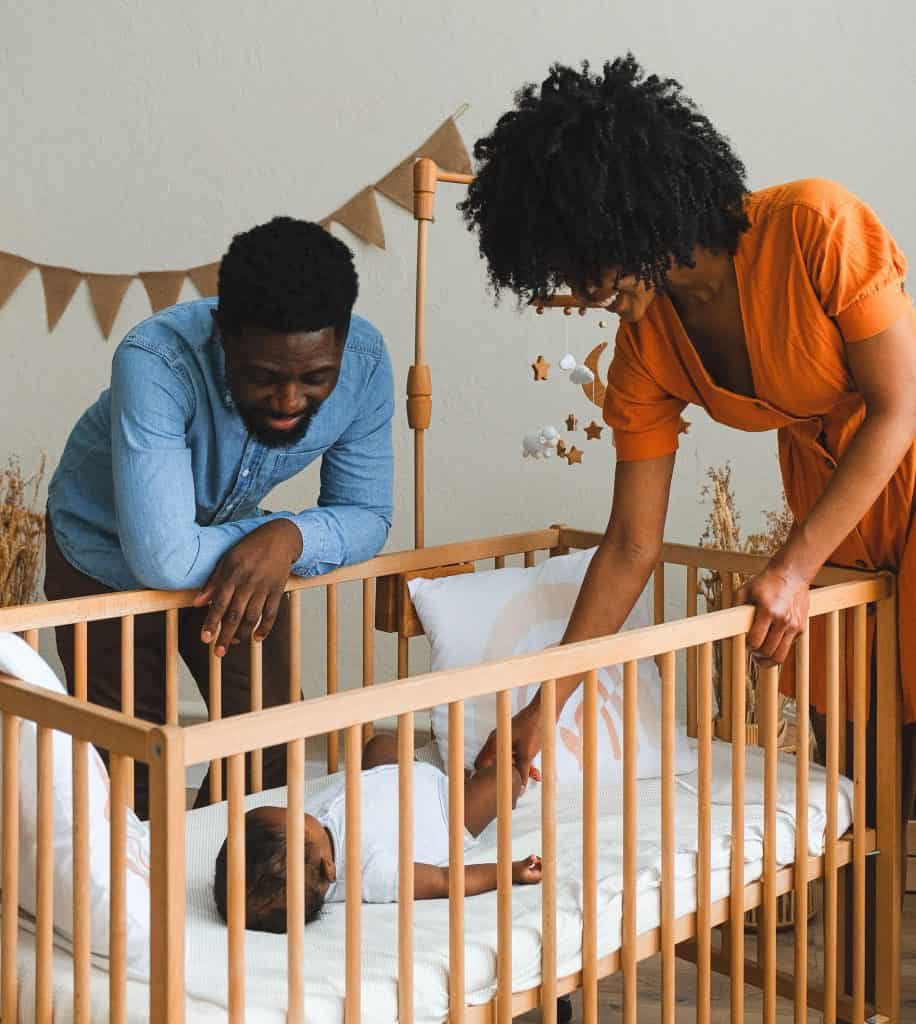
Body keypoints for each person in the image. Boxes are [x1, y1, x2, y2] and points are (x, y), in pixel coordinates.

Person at [462, 59, 916, 859]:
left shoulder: (815, 225)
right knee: (859, 792)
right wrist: (545, 705)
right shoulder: (644, 351)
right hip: (837, 513)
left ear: (633, 215)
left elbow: (896, 407)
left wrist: (792, 568)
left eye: (585, 262)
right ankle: (862, 984)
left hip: (892, 475)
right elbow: (631, 545)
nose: (583, 291)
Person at [45, 217, 394, 817]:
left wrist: (286, 535)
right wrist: (266, 535)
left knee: (270, 743)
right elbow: (162, 556)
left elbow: (367, 512)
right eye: (264, 377)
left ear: (339, 341)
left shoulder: (365, 363)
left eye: (315, 377)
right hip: (101, 554)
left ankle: (207, 880)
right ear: (222, 336)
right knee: (134, 772)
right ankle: (144, 895)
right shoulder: (155, 358)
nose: (289, 401)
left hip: (230, 554)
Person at [212, 735, 542, 931]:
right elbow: (445, 880)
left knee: (379, 744)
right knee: (505, 779)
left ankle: (446, 771)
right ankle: (487, 776)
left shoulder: (315, 833)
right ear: (329, 867)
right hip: (446, 812)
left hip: (393, 776)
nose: (295, 810)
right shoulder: (369, 872)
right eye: (292, 817)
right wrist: (509, 872)